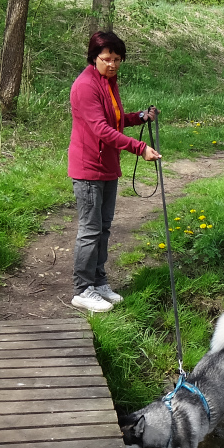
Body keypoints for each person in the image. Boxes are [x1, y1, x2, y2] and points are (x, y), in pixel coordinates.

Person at [67, 31, 161, 313]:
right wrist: (138, 147)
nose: (113, 64)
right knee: (90, 230)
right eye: (107, 59)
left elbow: (115, 121)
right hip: (88, 169)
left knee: (104, 228)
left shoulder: (108, 82)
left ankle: (98, 281)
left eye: (117, 59)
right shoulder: (85, 86)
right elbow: (100, 129)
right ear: (93, 58)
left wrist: (139, 117)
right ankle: (82, 289)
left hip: (108, 166)